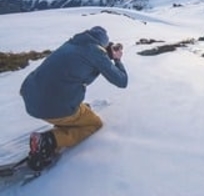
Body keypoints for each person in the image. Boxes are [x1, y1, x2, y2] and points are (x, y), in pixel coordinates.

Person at [20, 26, 128, 171]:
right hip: (50, 106)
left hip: (30, 96)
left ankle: (68, 119)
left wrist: (105, 54)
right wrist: (117, 60)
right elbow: (122, 81)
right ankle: (48, 141)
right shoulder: (96, 53)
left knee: (78, 104)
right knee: (94, 124)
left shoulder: (72, 44)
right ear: (103, 44)